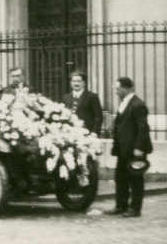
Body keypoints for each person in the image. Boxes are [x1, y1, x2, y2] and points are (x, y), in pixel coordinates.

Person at [107, 77, 153, 218]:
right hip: (124, 149)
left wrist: (139, 147)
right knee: (120, 177)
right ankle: (121, 205)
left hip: (134, 149)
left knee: (135, 179)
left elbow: (142, 128)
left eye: (117, 89)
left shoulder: (138, 105)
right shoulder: (125, 103)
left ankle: (135, 208)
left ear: (126, 88)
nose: (115, 92)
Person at [61, 70, 103, 136]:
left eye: (79, 81)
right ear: (70, 83)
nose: (76, 83)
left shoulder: (92, 96)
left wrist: (94, 132)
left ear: (84, 83)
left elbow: (98, 116)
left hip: (87, 132)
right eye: (74, 81)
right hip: (70, 133)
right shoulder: (66, 98)